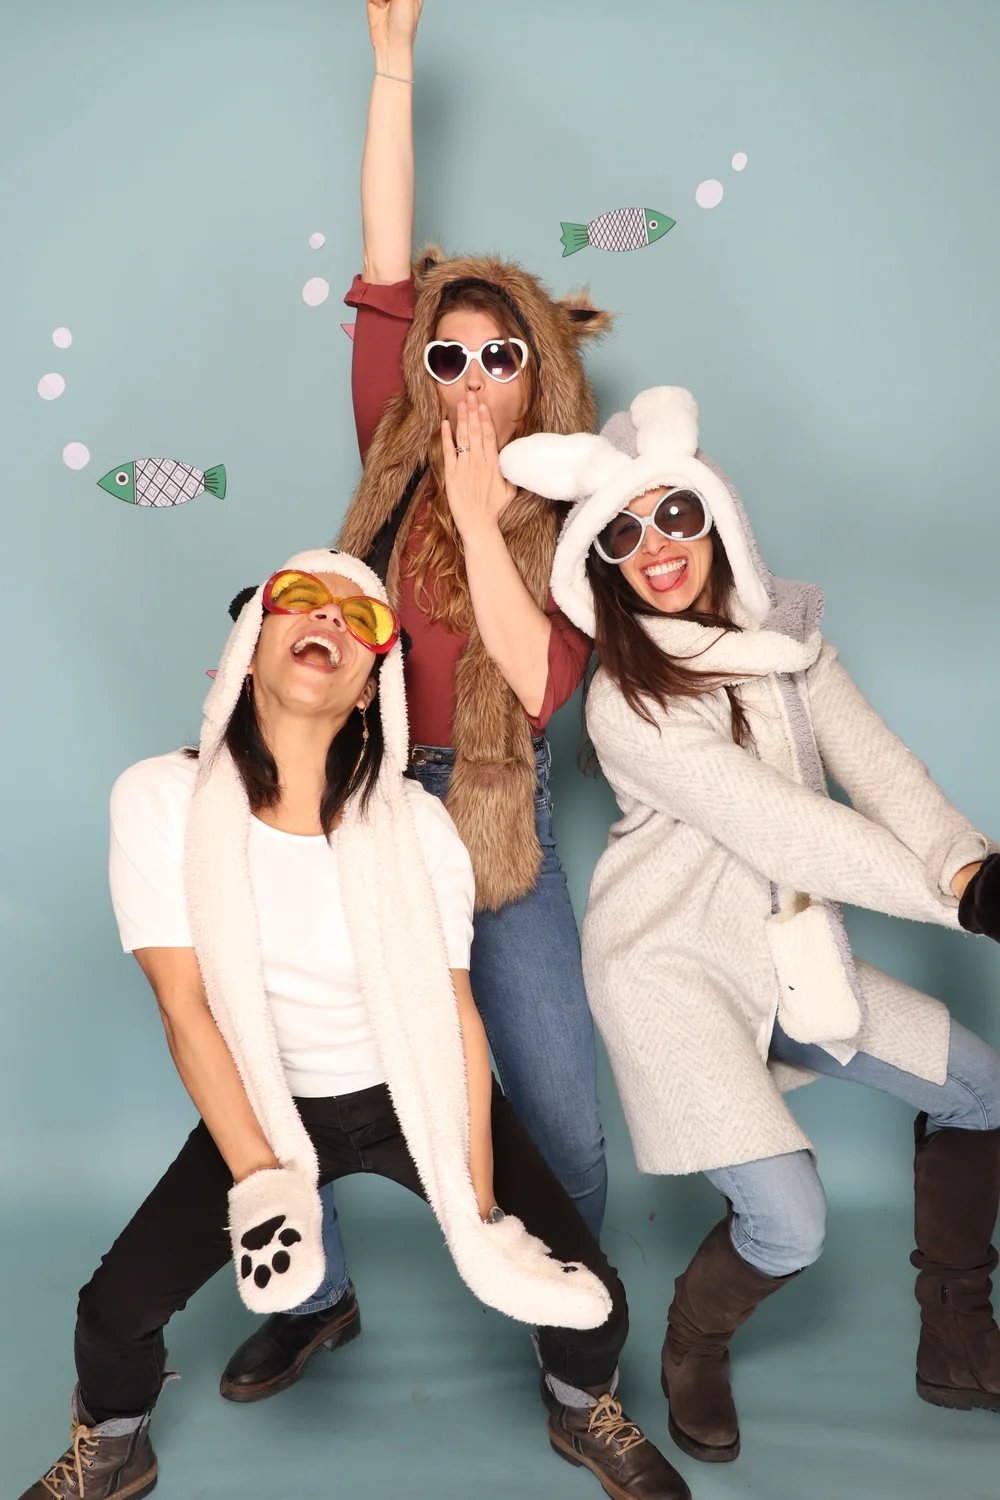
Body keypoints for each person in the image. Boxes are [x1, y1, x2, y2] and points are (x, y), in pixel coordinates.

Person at [17, 550, 690, 1500]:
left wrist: (483, 1210)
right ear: (249, 649)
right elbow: (184, 1006)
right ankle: (116, 1442)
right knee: (110, 1314)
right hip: (267, 1104)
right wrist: (264, 1184)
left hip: (412, 1090)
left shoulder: (417, 826)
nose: (328, 618)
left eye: (360, 616)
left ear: (373, 687)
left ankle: (583, 1407)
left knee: (594, 1300)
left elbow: (456, 1014)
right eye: (300, 599)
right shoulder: (160, 799)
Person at [220, 0, 613, 1400]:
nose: (470, 376)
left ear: (539, 371)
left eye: (499, 355)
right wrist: (392, 64)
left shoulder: (580, 509)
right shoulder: (391, 453)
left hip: (500, 821)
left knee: (558, 1111)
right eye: (448, 356)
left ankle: (574, 1351)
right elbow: (389, 260)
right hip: (363, 799)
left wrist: (485, 514)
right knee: (289, 1069)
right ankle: (312, 1298)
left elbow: (541, 681)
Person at [499, 386, 1000, 1463]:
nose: (656, 548)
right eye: (623, 534)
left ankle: (958, 1336)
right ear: (604, 565)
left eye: (675, 514)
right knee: (792, 1223)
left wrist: (970, 864)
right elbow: (787, 828)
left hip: (786, 958)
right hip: (669, 974)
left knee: (981, 1090)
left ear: (718, 516)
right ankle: (695, 1340)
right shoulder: (626, 702)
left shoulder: (791, 647)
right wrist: (957, 904)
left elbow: (883, 773)